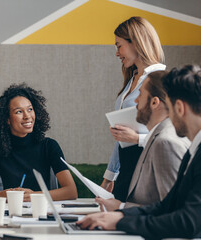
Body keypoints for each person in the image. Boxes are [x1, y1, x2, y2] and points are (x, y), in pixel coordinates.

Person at [76, 65, 201, 239]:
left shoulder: (175, 144)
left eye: (170, 108)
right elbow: (167, 206)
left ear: (179, 107)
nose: (169, 118)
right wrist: (119, 215)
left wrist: (119, 221)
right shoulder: (194, 150)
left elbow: (188, 222)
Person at [0, 83, 77, 201]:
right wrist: (2, 195)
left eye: (30, 109)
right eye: (19, 112)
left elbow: (71, 191)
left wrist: (33, 196)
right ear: (7, 119)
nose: (27, 116)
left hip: (43, 213)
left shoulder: (49, 146)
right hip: (11, 213)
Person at [96, 71, 189, 211]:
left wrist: (121, 208)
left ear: (154, 102)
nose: (135, 101)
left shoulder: (165, 142)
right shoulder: (157, 137)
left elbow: (173, 211)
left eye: (140, 94)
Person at [101, 16, 166, 202]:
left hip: (147, 167)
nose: (117, 53)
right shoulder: (132, 79)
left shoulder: (159, 78)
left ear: (136, 43)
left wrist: (137, 138)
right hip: (127, 168)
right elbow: (121, 136)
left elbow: (172, 133)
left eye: (119, 45)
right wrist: (109, 177)